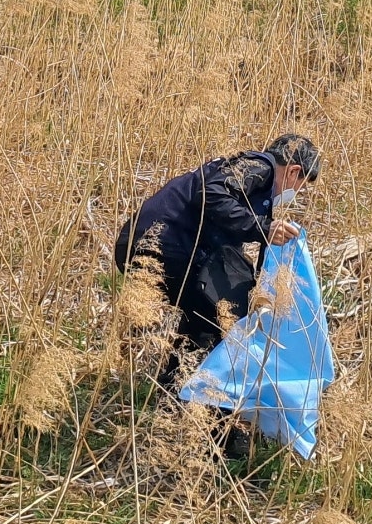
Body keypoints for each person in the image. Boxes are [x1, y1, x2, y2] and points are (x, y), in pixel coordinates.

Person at [114, 134, 321, 366]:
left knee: (203, 317)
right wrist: (262, 227)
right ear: (293, 171)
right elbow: (212, 195)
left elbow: (224, 224)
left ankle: (181, 387)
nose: (295, 193)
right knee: (218, 316)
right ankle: (186, 392)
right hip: (167, 244)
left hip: (145, 241)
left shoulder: (243, 170)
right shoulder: (261, 167)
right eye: (299, 186)